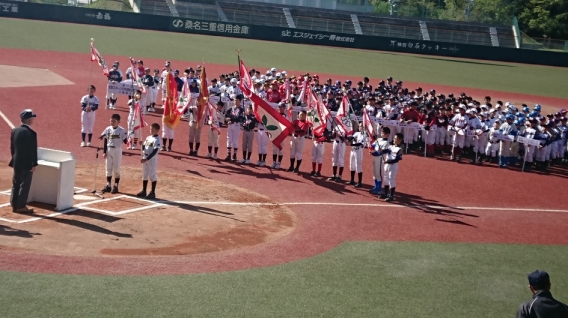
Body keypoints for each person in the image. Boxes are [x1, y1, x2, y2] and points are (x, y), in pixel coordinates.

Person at [9, 109, 38, 213]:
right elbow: (32, 151)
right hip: (26, 164)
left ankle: (14, 203)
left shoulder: (14, 130)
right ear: (29, 120)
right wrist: (34, 164)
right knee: (24, 185)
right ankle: (20, 206)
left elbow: (12, 148)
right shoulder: (31, 133)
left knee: (16, 183)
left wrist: (14, 159)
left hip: (16, 161)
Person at [99, 113, 128, 194]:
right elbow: (105, 140)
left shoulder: (122, 131)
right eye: (111, 121)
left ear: (118, 122)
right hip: (109, 149)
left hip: (117, 150)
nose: (112, 123)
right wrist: (104, 151)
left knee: (116, 168)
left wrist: (129, 139)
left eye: (114, 121)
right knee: (108, 168)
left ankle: (116, 185)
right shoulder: (108, 129)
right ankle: (108, 185)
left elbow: (126, 141)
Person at [137, 123, 161, 200]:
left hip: (151, 159)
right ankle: (144, 191)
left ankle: (152, 192)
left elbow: (154, 151)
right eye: (150, 129)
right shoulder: (148, 137)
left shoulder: (157, 140)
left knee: (152, 175)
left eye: (153, 130)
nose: (151, 131)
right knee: (145, 174)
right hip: (145, 157)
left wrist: (147, 159)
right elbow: (144, 148)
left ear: (157, 130)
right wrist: (141, 145)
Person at [381, 133, 403, 202]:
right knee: (386, 179)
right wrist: (381, 150)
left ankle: (391, 195)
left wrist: (388, 161)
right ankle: (386, 193)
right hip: (387, 165)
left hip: (393, 166)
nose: (394, 140)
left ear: (399, 140)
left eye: (395, 138)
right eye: (394, 138)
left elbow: (397, 159)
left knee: (391, 179)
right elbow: (385, 151)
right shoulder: (391, 147)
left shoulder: (400, 149)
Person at [369, 127, 391, 195]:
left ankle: (379, 188)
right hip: (374, 157)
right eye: (381, 132)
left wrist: (374, 153)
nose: (382, 134)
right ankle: (376, 186)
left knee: (378, 173)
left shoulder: (387, 143)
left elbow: (382, 152)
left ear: (388, 134)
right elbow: (372, 146)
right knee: (374, 172)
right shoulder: (378, 139)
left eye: (384, 133)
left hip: (379, 158)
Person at [225, 94, 245, 161]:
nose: (235, 101)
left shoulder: (242, 110)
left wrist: (231, 119)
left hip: (236, 125)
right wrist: (227, 119)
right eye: (234, 100)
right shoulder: (231, 108)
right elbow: (226, 115)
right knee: (229, 139)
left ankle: (235, 155)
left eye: (237, 100)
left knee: (235, 140)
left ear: (240, 101)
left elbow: (239, 118)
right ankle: (228, 154)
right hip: (230, 125)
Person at [346, 122, 367, 187]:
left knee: (358, 166)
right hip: (353, 150)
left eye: (362, 127)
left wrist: (351, 144)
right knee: (351, 165)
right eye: (360, 126)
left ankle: (359, 182)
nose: (360, 128)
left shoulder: (365, 136)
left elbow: (360, 144)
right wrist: (348, 138)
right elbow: (351, 137)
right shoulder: (357, 133)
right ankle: (352, 180)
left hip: (359, 151)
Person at [271, 102, 288, 169]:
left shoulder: (286, 116)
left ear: (284, 108)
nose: (280, 108)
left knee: (280, 149)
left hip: (282, 135)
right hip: (276, 134)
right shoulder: (275, 115)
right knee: (274, 149)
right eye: (279, 107)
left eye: (281, 107)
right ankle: (274, 162)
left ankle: (279, 163)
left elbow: (287, 126)